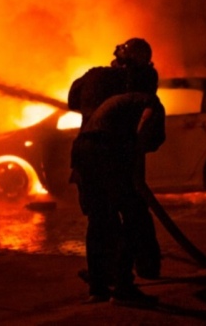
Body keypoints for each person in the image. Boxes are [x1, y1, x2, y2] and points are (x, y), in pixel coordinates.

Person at [68, 38, 164, 306]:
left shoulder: (94, 76)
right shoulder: (145, 80)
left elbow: (72, 102)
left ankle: (98, 287)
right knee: (133, 217)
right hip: (115, 154)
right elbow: (148, 129)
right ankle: (125, 284)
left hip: (84, 153)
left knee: (99, 220)